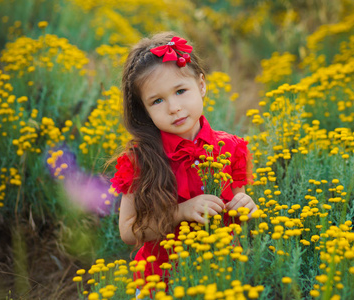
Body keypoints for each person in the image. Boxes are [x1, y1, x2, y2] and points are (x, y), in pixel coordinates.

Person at [110, 32, 257, 284]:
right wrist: (179, 212)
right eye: (157, 101)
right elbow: (128, 231)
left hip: (221, 276)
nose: (173, 107)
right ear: (144, 111)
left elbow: (235, 208)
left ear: (201, 85)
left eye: (180, 91)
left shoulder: (231, 148)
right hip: (162, 280)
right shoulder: (140, 160)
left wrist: (245, 206)